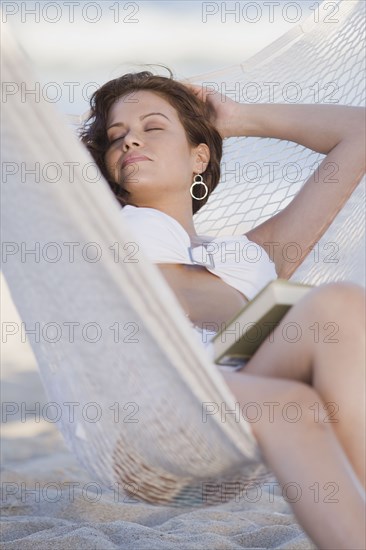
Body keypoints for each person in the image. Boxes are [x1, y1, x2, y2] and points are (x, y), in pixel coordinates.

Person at [79, 69, 366, 549]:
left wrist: (238, 118)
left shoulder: (247, 256)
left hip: (235, 399)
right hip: (150, 420)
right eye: (116, 137)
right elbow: (207, 304)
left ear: (199, 157)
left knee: (340, 306)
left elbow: (359, 135)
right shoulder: (112, 234)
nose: (130, 142)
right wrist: (277, 307)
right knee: (296, 385)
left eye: (152, 127)